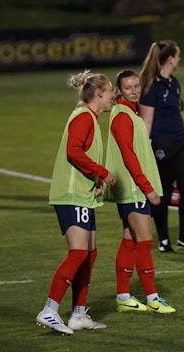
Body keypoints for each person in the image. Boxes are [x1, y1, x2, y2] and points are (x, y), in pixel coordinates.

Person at [36, 70, 116, 335]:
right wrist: (103, 172)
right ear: (99, 94)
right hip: (71, 196)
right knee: (79, 252)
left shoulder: (90, 118)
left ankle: (79, 314)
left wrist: (96, 180)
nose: (113, 94)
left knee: (89, 254)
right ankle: (50, 310)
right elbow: (74, 151)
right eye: (111, 89)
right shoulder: (83, 118)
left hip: (82, 194)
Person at [105, 70, 176, 314]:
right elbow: (129, 156)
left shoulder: (128, 112)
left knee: (130, 240)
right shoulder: (123, 116)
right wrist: (148, 188)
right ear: (119, 91)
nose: (134, 90)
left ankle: (124, 296)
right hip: (135, 189)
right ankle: (153, 298)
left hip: (131, 188)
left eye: (136, 86)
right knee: (145, 242)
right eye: (128, 87)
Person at [138, 40, 184, 252]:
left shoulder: (174, 82)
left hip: (182, 141)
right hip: (161, 144)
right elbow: (146, 121)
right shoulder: (150, 86)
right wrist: (145, 151)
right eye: (178, 55)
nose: (179, 59)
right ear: (170, 59)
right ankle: (163, 240)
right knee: (163, 193)